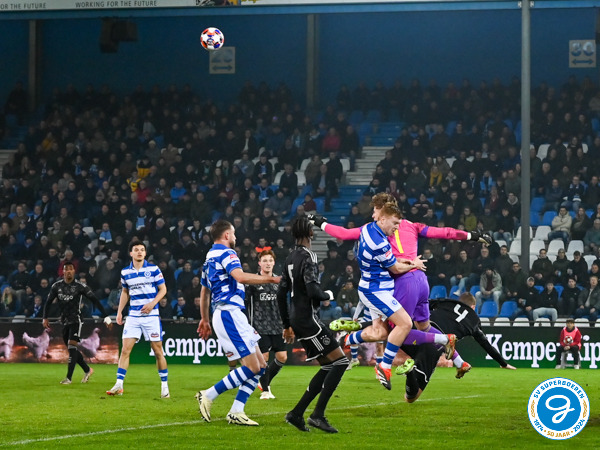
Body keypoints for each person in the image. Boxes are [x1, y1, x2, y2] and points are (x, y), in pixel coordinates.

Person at [196, 220, 280, 426]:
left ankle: (236, 411)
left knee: (261, 366)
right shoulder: (227, 253)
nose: (235, 237)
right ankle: (209, 394)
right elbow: (240, 277)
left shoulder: (209, 257)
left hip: (228, 313)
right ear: (226, 235)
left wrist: (205, 319)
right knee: (252, 367)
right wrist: (274, 279)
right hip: (229, 313)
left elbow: (205, 291)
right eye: (233, 233)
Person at [277, 216, 348, 433]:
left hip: (297, 318)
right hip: (309, 319)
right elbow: (312, 290)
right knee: (341, 362)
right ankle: (317, 415)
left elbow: (281, 293)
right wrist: (328, 294)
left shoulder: (290, 257)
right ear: (310, 233)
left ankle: (297, 413)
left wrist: (287, 324)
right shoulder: (309, 256)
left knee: (329, 365)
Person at [396, 293, 516, 403]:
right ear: (473, 307)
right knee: (410, 398)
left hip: (415, 331)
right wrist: (503, 363)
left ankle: (389, 360)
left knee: (392, 336)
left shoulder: (448, 302)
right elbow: (486, 344)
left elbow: (424, 304)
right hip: (434, 346)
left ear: (460, 301)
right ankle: (410, 373)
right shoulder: (474, 321)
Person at [106, 241, 170, 398]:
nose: (140, 252)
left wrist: (152, 303)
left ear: (145, 253)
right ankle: (119, 385)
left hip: (151, 316)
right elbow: (125, 292)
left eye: (142, 250)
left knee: (158, 351)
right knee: (125, 350)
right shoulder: (125, 272)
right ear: (131, 253)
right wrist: (120, 312)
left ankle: (164, 386)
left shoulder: (153, 269)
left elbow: (163, 289)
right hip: (133, 316)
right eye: (136, 250)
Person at [43, 262, 112, 384]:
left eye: (71, 269)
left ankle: (68, 378)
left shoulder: (80, 286)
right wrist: (45, 318)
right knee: (72, 350)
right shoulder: (57, 286)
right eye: (66, 269)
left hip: (76, 319)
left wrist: (106, 316)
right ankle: (87, 370)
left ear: (74, 271)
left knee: (72, 345)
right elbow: (48, 302)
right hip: (64, 320)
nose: (69, 271)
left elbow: (94, 300)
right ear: (63, 272)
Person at [244, 248, 287, 400]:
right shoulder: (253, 282)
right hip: (259, 325)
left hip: (277, 325)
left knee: (282, 357)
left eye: (270, 260)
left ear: (274, 263)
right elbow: (246, 304)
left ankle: (264, 382)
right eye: (265, 261)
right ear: (259, 263)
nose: (268, 263)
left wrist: (287, 324)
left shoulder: (279, 281)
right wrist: (248, 325)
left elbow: (284, 304)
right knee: (264, 357)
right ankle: (266, 390)